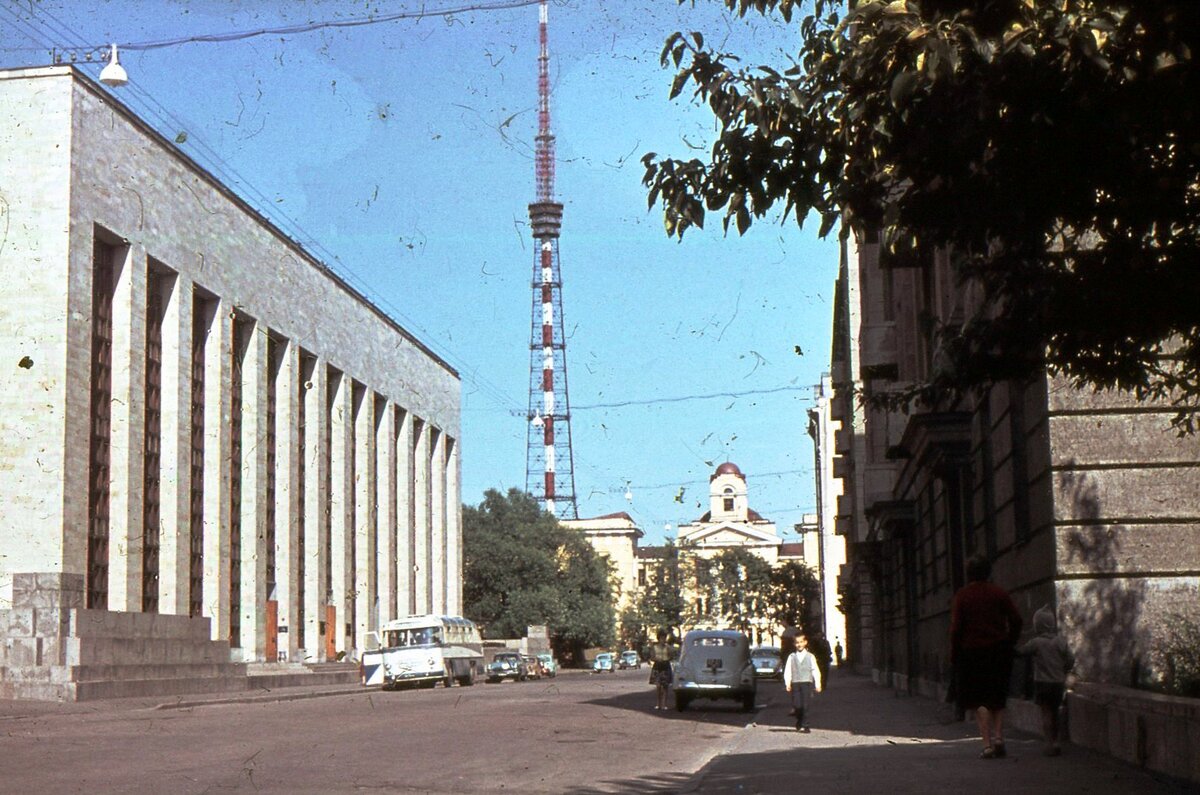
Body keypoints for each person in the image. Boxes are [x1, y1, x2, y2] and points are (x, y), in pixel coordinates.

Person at [950, 555, 1023, 759]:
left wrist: (955, 654)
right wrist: (1009, 641)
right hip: (998, 651)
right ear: (988, 572)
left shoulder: (962, 596)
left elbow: (955, 629)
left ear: (969, 574)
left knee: (978, 698)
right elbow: (1016, 619)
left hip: (971, 653)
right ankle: (999, 737)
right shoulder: (998, 593)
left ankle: (987, 744)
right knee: (997, 696)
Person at [1018, 605, 1075, 756]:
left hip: (1042, 683)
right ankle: (1057, 741)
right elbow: (1071, 659)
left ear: (1037, 625)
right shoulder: (1060, 642)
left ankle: (1048, 742)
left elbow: (1021, 652)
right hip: (1058, 683)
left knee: (1046, 713)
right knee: (1056, 711)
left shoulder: (1036, 642)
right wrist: (1064, 669)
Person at [783, 634, 823, 732]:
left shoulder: (810, 656)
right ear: (794, 644)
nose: (799, 644)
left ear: (805, 642)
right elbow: (788, 670)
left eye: (801, 642)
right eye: (797, 642)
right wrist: (787, 682)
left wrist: (818, 684)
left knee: (806, 705)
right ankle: (799, 719)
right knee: (797, 705)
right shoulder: (791, 657)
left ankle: (806, 725)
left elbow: (815, 670)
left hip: (807, 682)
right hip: (795, 683)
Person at [647, 629, 675, 711]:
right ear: (659, 638)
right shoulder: (654, 647)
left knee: (665, 686)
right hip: (658, 666)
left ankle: (664, 704)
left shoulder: (668, 647)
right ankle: (658, 704)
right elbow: (652, 657)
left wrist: (668, 657)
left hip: (665, 666)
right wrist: (656, 659)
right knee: (658, 686)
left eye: (665, 638)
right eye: (662, 638)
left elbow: (671, 656)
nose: (663, 639)